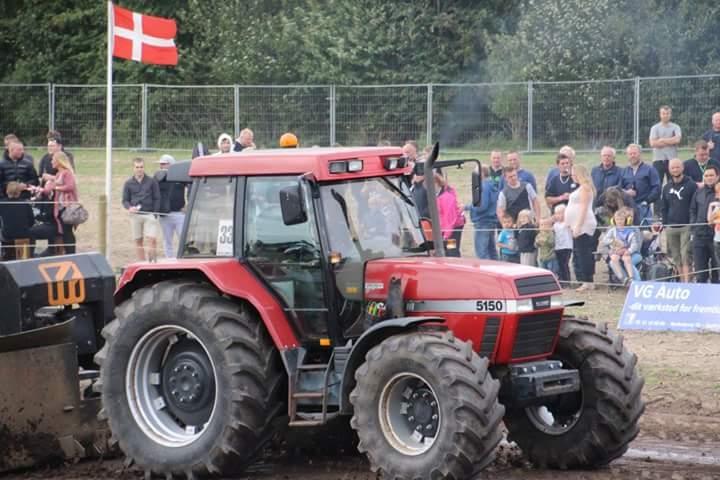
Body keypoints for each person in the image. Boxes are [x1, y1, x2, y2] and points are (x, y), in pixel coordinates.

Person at [31, 152, 79, 255]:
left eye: (53, 160)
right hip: (60, 208)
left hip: (67, 208)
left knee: (67, 232)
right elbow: (49, 190)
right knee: (65, 232)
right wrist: (38, 189)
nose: (51, 162)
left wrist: (55, 187)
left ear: (59, 161)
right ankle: (67, 253)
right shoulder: (58, 174)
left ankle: (71, 254)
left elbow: (70, 186)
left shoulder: (67, 173)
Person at [660, 158, 696, 282]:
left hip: (686, 226)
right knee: (676, 257)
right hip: (671, 227)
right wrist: (665, 224)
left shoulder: (691, 185)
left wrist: (692, 224)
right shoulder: (666, 187)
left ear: (682, 168)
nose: (675, 170)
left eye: (677, 167)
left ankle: (687, 283)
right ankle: (681, 282)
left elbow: (694, 206)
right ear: (669, 170)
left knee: (686, 256)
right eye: (672, 168)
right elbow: (663, 207)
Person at [122, 158, 160, 262]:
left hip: (149, 214)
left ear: (144, 167)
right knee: (138, 240)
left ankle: (152, 262)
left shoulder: (152, 181)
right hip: (135, 215)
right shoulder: (128, 183)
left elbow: (157, 198)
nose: (139, 169)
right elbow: (125, 200)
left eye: (141, 167)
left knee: (152, 239)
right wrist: (129, 207)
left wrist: (155, 214)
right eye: (137, 167)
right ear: (133, 168)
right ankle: (142, 263)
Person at [565, 164, 597, 292]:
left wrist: (578, 225)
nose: (572, 176)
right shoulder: (581, 188)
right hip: (576, 224)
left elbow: (584, 208)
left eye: (574, 173)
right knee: (580, 252)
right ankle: (585, 280)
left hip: (583, 224)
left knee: (584, 253)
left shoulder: (585, 188)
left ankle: (588, 281)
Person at [689, 165, 719, 283]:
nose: (709, 178)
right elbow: (692, 210)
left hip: (716, 237)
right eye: (706, 176)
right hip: (699, 236)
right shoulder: (698, 192)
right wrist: (693, 226)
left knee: (717, 271)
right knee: (700, 273)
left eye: (711, 175)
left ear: (717, 176)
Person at [154, 154, 186, 258]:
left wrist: (189, 205)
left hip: (179, 213)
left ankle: (183, 259)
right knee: (167, 239)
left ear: (171, 164)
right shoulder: (158, 177)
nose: (161, 166)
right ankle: (169, 259)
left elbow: (191, 187)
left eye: (164, 164)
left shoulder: (180, 176)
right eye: (161, 164)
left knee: (183, 238)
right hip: (165, 214)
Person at [600, 207, 642, 286]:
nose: (619, 221)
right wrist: (613, 244)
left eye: (622, 219)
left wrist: (627, 251)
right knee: (613, 261)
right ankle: (624, 280)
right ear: (614, 220)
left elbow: (637, 245)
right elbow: (604, 241)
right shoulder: (612, 230)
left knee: (628, 261)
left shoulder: (633, 230)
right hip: (617, 252)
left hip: (633, 253)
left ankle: (637, 283)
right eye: (617, 219)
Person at [621, 143, 660, 224]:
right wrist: (626, 193)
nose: (632, 156)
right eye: (630, 154)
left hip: (644, 208)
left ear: (640, 154)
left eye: (634, 153)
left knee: (645, 233)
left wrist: (646, 201)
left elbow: (657, 188)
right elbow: (619, 189)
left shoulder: (650, 169)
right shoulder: (624, 171)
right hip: (628, 210)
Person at [466, 165, 498, 260]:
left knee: (482, 252)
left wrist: (468, 207)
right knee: (492, 251)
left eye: (476, 173)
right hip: (491, 221)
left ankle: (488, 272)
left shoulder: (483, 186)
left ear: (482, 174)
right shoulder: (492, 185)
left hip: (482, 223)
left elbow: (481, 207)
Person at [0, 182, 35, 260]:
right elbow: (31, 222)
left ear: (7, 191)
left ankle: (5, 255)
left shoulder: (1, 203)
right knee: (31, 235)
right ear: (19, 192)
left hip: (7, 236)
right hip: (23, 234)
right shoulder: (25, 204)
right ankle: (29, 255)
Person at [434, 170, 465, 257]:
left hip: (453, 229)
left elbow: (450, 218)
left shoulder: (446, 197)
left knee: (452, 251)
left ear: (436, 183)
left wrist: (446, 234)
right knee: (449, 250)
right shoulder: (441, 195)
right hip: (449, 228)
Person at [649, 105, 682, 185]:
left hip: (672, 160)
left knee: (673, 183)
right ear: (660, 114)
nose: (665, 115)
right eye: (663, 113)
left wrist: (662, 140)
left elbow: (677, 140)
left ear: (670, 114)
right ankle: (657, 198)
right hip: (658, 160)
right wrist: (671, 140)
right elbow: (653, 143)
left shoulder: (676, 127)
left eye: (667, 113)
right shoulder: (655, 128)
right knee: (657, 183)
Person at [553, 204, 573, 286]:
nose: (558, 215)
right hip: (558, 247)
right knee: (559, 265)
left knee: (565, 264)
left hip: (567, 246)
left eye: (560, 213)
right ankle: (561, 281)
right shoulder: (555, 225)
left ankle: (567, 281)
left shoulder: (567, 223)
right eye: (556, 213)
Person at [707, 183, 720, 269]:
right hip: (717, 239)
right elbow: (709, 221)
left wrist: (716, 220)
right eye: (717, 192)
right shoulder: (717, 207)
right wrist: (710, 206)